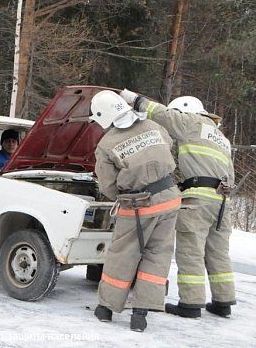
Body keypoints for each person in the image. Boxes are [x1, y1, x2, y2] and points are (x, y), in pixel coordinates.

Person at [120, 89, 236, 319]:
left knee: (190, 251)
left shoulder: (192, 122)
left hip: (198, 200)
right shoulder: (220, 138)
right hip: (222, 201)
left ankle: (190, 305)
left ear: (185, 111)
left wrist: (137, 101)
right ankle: (223, 302)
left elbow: (163, 115)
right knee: (218, 252)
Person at [90, 90, 181, 332]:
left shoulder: (107, 143)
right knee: (157, 254)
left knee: (123, 254)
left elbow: (108, 186)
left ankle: (106, 309)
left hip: (138, 205)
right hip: (170, 199)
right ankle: (140, 314)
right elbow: (167, 145)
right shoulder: (152, 125)